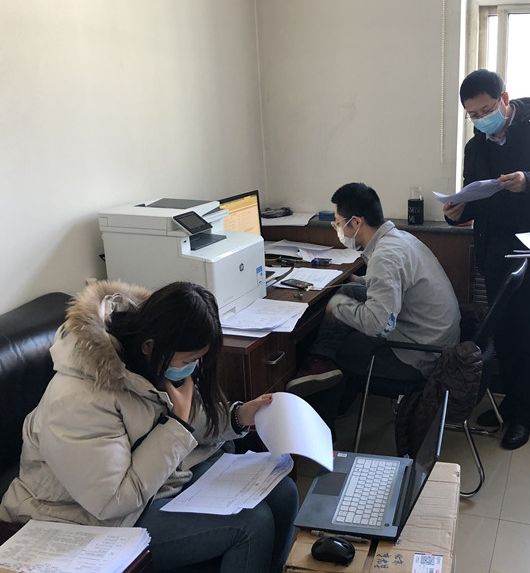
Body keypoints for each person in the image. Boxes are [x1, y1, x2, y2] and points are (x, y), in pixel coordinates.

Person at [0, 280, 298, 573]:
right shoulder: (79, 399)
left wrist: (238, 416)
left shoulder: (150, 361)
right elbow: (112, 502)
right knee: (250, 525)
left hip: (154, 487)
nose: (192, 367)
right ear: (149, 346)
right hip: (85, 518)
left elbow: (189, 416)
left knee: (283, 492)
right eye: (189, 360)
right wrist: (177, 426)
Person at [443, 69, 530, 450]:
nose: (480, 119)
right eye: (472, 115)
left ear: (505, 100)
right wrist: (457, 212)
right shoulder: (476, 147)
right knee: (504, 334)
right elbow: (476, 198)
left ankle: (526, 413)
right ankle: (510, 403)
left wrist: (528, 181)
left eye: (486, 110)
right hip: (495, 254)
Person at [284, 182, 461, 430]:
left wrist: (337, 306)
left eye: (338, 223)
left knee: (340, 347)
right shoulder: (399, 239)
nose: (338, 230)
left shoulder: (385, 256)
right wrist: (360, 282)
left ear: (356, 222)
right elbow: (395, 283)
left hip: (420, 356)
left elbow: (379, 325)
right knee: (348, 291)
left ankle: (322, 423)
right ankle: (320, 361)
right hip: (435, 338)